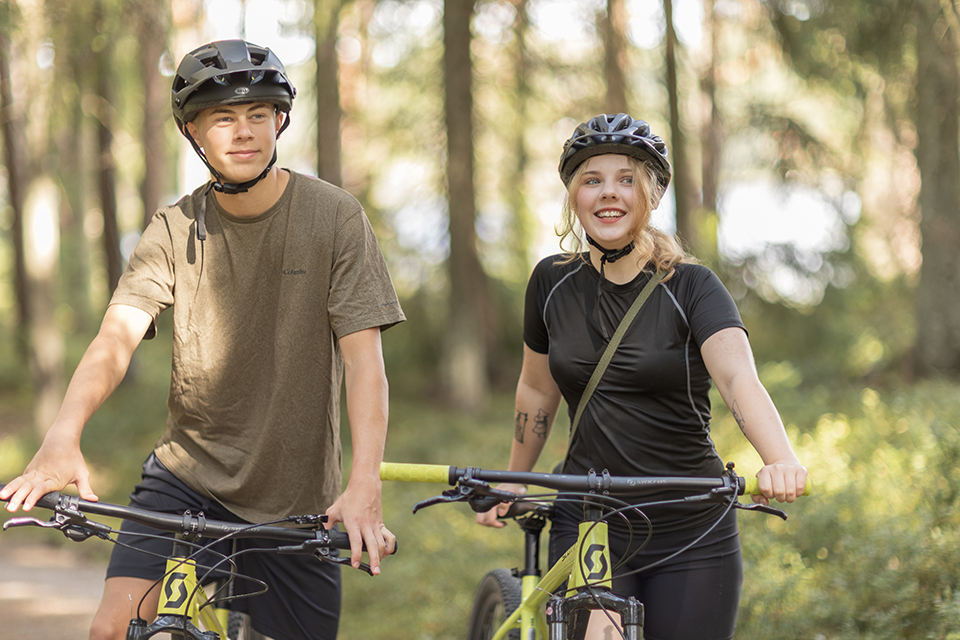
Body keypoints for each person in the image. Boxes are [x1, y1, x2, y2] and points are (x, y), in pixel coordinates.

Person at [1, 39, 405, 640]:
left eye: (258, 115)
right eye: (223, 118)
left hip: (299, 496)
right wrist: (64, 433)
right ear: (194, 131)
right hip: (185, 478)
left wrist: (364, 482)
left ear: (280, 121)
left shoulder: (335, 217)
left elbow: (365, 362)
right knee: (111, 631)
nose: (243, 133)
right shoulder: (173, 228)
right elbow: (117, 335)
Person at [476, 113, 807, 640]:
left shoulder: (693, 287)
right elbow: (537, 389)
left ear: (650, 194)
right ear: (573, 196)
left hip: (692, 522)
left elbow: (739, 378)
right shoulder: (550, 284)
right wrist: (517, 477)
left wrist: (779, 458)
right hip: (590, 515)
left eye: (626, 179)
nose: (609, 194)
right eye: (592, 180)